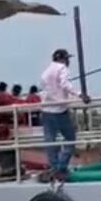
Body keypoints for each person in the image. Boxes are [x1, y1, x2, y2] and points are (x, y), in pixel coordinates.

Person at [39, 49, 89, 183]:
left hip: (46, 110)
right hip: (59, 110)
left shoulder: (46, 72)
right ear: (63, 59)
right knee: (70, 139)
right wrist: (80, 95)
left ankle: (54, 168)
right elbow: (65, 85)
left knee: (50, 142)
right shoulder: (62, 68)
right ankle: (60, 168)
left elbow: (45, 88)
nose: (68, 62)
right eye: (67, 59)